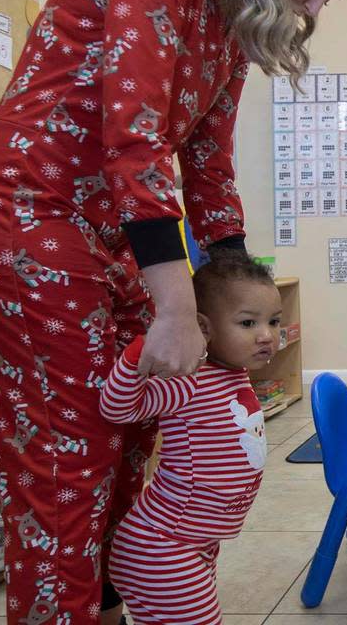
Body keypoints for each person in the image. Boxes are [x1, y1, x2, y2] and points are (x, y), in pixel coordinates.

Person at [0, 0, 347, 624]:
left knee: (135, 431)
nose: (311, 11)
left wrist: (237, 304)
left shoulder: (233, 23)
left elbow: (208, 167)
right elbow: (135, 138)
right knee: (67, 469)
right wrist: (178, 305)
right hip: (25, 219)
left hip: (108, 235)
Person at [101, 252, 281, 624]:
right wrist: (143, 347)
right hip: (163, 546)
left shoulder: (234, 373)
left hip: (195, 542)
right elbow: (117, 408)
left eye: (274, 321)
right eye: (248, 323)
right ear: (202, 327)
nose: (267, 335)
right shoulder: (189, 380)